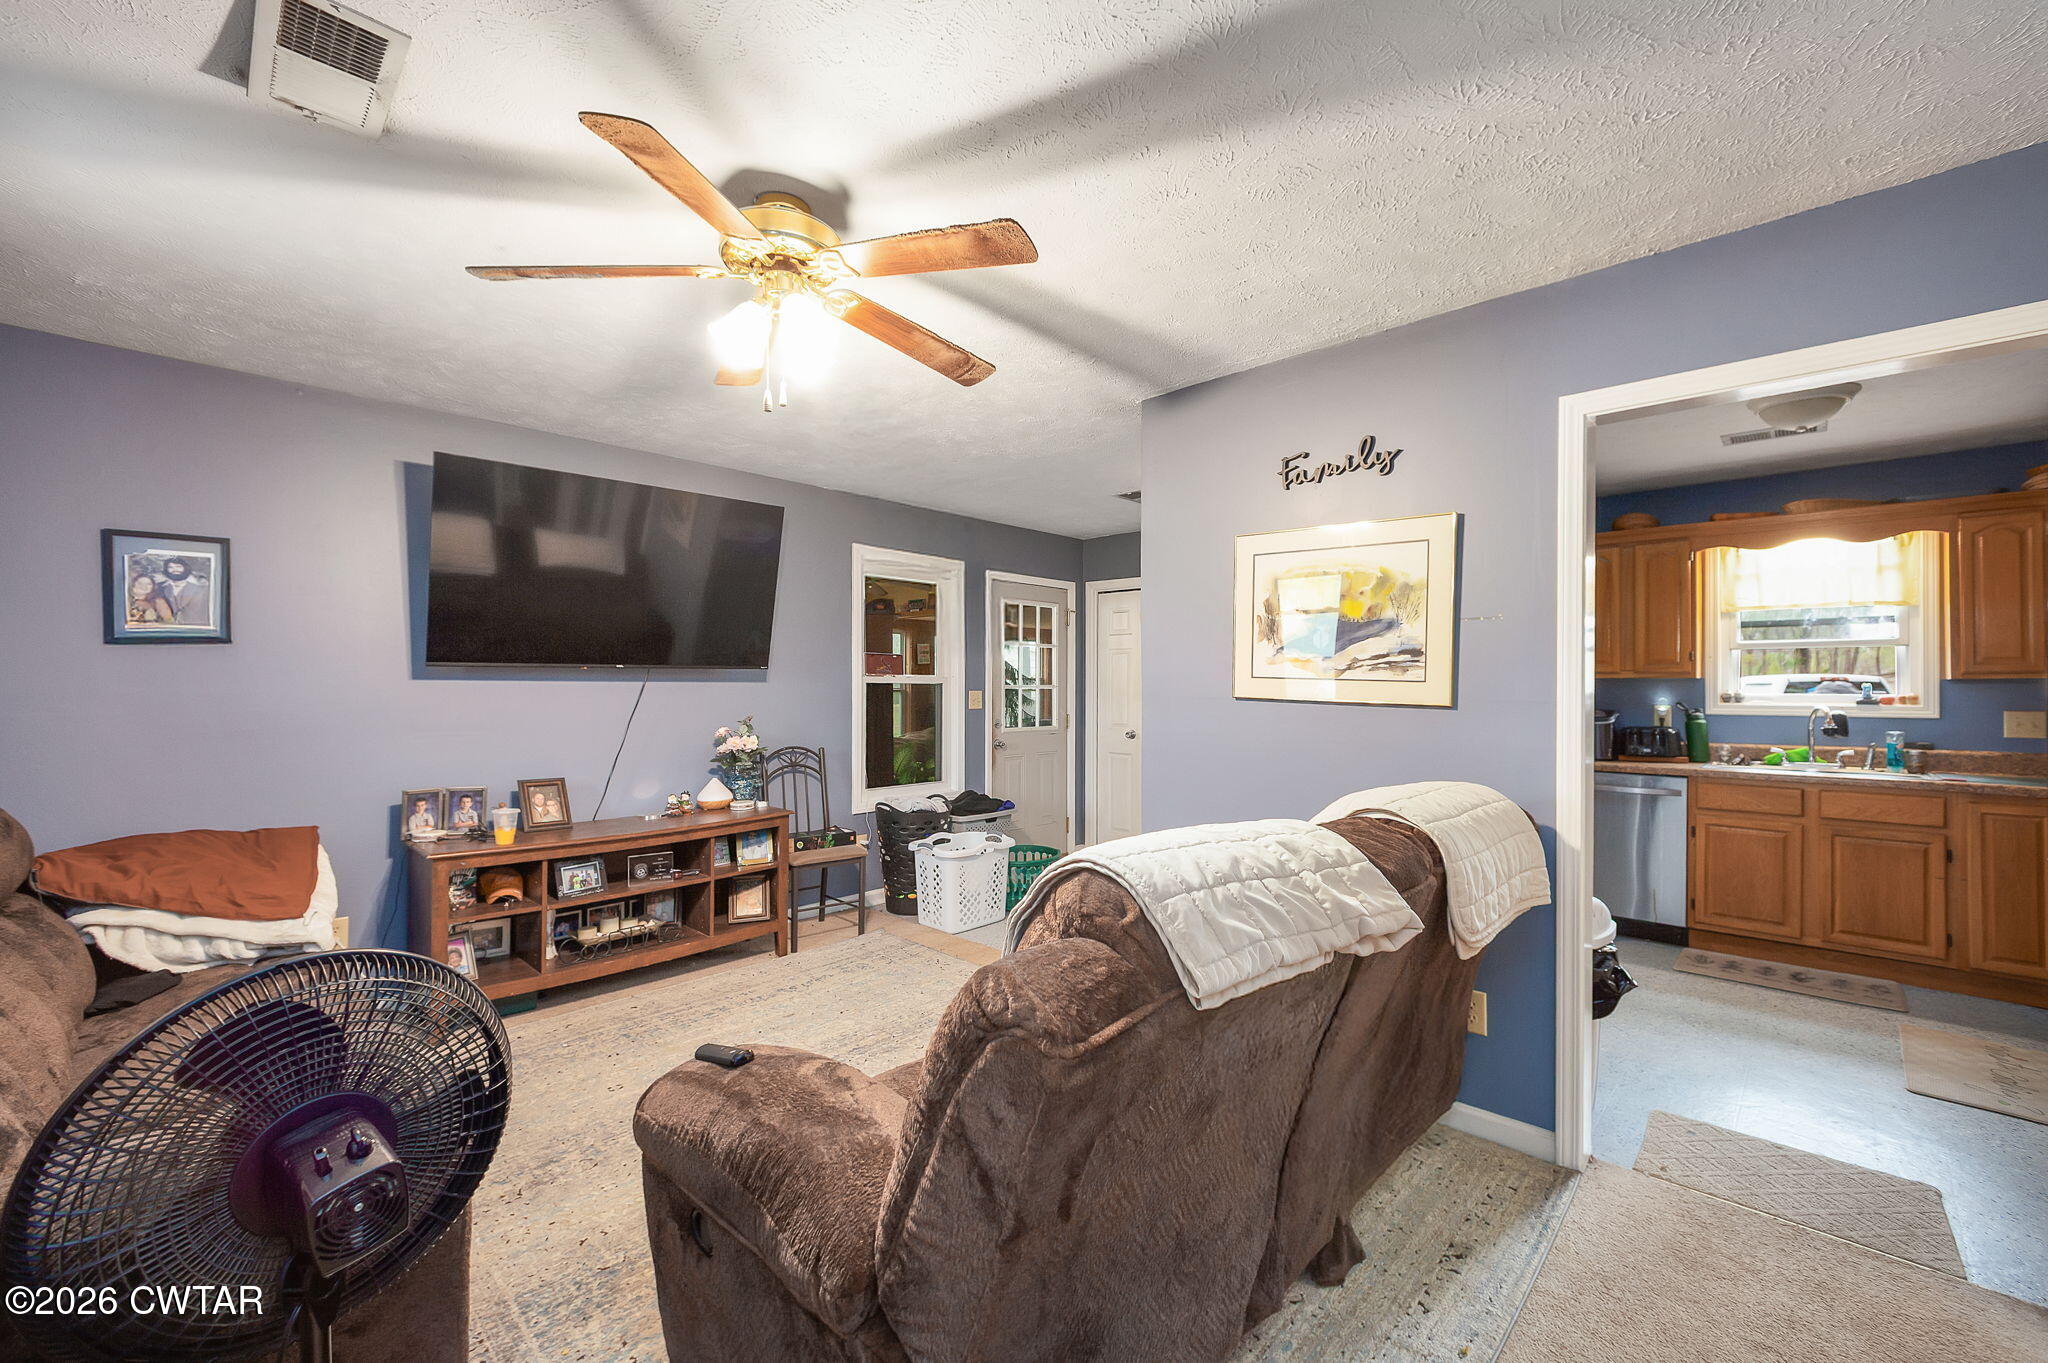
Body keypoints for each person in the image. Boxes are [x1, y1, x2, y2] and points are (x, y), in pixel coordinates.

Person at [159, 557, 211, 626]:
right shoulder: (161, 588)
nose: (175, 570)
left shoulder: (201, 589)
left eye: (178, 567)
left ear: (185, 568)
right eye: (170, 567)